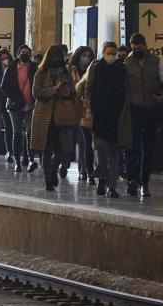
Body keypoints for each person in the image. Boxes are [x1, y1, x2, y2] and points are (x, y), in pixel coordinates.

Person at [124, 33, 163, 197]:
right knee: (132, 147)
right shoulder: (127, 63)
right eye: (133, 46)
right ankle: (132, 181)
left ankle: (145, 182)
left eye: (138, 46)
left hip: (151, 110)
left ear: (144, 44)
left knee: (148, 149)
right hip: (133, 110)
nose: (136, 49)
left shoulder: (156, 62)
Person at [30, 45, 80, 192]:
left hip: (62, 115)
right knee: (47, 148)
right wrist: (54, 90)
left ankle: (54, 169)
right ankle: (48, 177)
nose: (57, 59)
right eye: (54, 56)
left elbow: (73, 91)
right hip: (45, 115)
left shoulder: (66, 72)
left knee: (61, 149)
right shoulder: (41, 72)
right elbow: (36, 92)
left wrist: (67, 91)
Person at [86, 41, 127, 197]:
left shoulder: (121, 69)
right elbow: (89, 88)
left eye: (113, 53)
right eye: (108, 52)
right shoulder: (96, 67)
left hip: (117, 117)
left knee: (116, 153)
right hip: (100, 117)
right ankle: (101, 181)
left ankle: (112, 186)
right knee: (102, 153)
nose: (111, 56)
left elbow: (125, 90)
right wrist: (90, 108)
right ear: (103, 52)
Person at [3, 45, 37, 172]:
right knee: (16, 132)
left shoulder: (34, 67)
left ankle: (30, 159)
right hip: (15, 105)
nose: (25, 54)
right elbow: (4, 86)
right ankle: (17, 161)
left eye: (27, 52)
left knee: (30, 132)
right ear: (18, 54)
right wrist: (16, 97)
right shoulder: (11, 68)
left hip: (30, 104)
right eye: (22, 52)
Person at [69, 46, 96, 183]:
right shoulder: (71, 70)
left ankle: (86, 169)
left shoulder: (94, 70)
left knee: (85, 142)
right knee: (80, 141)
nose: (86, 58)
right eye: (83, 55)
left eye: (88, 56)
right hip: (73, 110)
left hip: (88, 111)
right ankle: (82, 168)